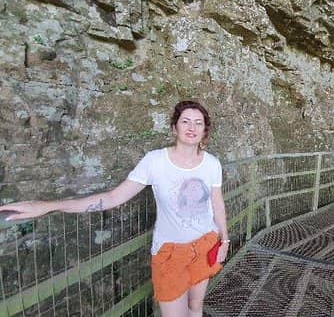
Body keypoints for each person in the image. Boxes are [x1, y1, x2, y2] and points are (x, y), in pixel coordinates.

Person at [0, 100, 229, 317]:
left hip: (205, 244)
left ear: (204, 131)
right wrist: (48, 206)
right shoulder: (155, 161)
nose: (192, 127)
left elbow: (217, 204)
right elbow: (113, 197)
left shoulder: (211, 164)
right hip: (170, 253)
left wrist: (225, 240)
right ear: (174, 128)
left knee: (195, 305)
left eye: (198, 123)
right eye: (185, 121)